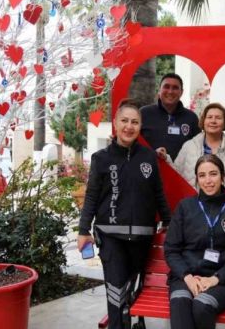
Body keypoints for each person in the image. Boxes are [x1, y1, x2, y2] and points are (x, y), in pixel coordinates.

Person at [78, 99, 172, 329]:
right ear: (115, 123)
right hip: (110, 236)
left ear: (140, 126)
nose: (129, 126)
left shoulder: (148, 157)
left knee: (130, 288)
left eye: (135, 122)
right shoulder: (101, 158)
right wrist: (83, 230)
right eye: (124, 121)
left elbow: (158, 193)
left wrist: (168, 222)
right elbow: (91, 196)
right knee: (115, 288)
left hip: (142, 236)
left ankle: (128, 322)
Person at [164, 154, 225, 329]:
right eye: (202, 175)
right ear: (196, 180)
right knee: (180, 302)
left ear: (223, 176)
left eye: (213, 174)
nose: (208, 181)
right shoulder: (184, 207)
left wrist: (214, 279)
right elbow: (171, 250)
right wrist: (187, 277)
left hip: (220, 281)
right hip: (185, 276)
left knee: (202, 305)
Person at [172, 103, 225, 187]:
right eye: (209, 117)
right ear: (203, 121)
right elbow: (174, 175)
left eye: (218, 118)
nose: (213, 121)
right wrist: (166, 159)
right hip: (193, 196)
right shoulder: (188, 147)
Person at [141, 73, 201, 161]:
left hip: (179, 169)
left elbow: (198, 149)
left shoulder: (191, 118)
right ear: (159, 90)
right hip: (148, 167)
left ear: (181, 92)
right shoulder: (144, 113)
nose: (170, 91)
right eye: (166, 87)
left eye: (175, 88)